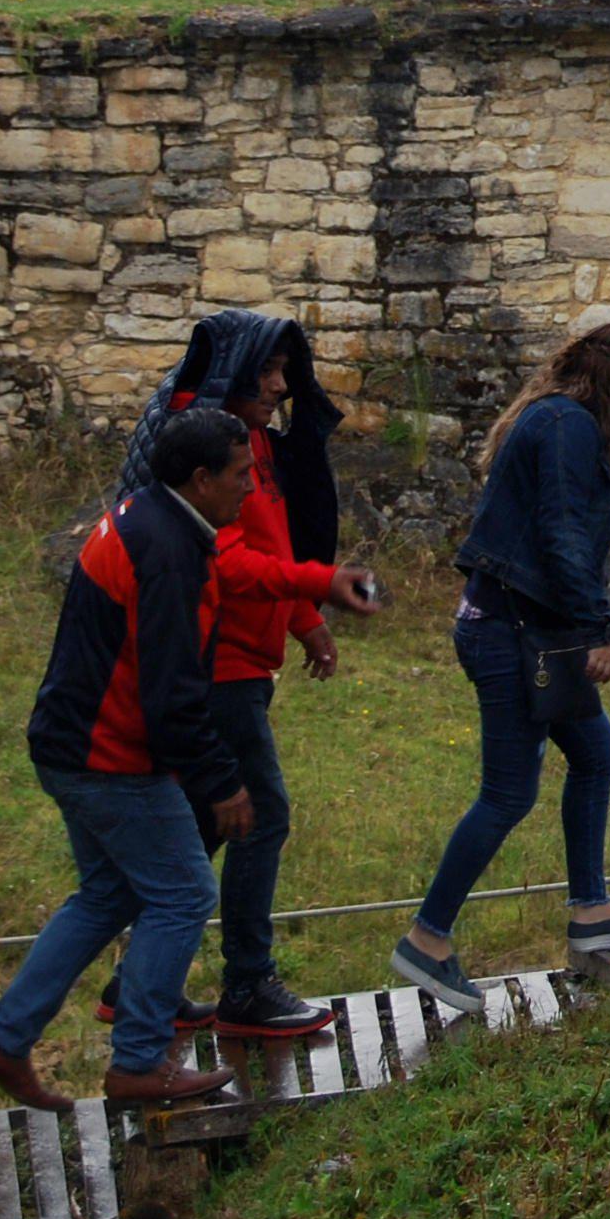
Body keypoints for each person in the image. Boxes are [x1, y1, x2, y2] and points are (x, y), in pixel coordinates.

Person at [0, 408, 255, 1112]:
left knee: (107, 895)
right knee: (184, 892)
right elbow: (171, 691)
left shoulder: (146, 515)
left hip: (68, 744)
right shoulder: (169, 549)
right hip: (108, 756)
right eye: (241, 474)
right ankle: (139, 1062)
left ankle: (3, 1042)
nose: (250, 488)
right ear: (201, 478)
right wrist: (221, 783)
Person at [110, 311, 382, 1039]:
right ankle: (248, 985)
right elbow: (223, 564)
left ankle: (140, 976)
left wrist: (304, 617)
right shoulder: (206, 456)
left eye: (286, 369)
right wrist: (319, 583)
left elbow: (266, 543)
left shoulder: (254, 442)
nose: (281, 384)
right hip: (218, 661)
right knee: (259, 812)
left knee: (208, 820)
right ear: (238, 371)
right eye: (268, 370)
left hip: (246, 658)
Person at [391, 321, 610, 1015]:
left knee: (595, 751)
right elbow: (560, 532)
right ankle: (426, 940)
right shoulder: (566, 427)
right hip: (512, 633)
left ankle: (591, 915)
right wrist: (594, 630)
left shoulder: (557, 421)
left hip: (525, 626)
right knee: (508, 794)